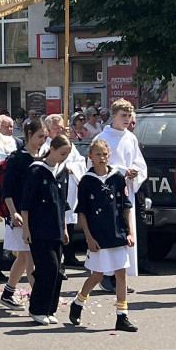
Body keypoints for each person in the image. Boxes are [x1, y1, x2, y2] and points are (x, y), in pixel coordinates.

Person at [69, 138, 137, 331]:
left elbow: (126, 207)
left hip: (117, 232)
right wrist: (89, 237)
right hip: (98, 234)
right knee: (98, 275)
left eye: (104, 154)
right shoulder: (86, 182)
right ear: (90, 156)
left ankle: (122, 315)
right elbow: (82, 212)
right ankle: (78, 301)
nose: (102, 158)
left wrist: (130, 232)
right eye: (97, 154)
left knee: (121, 273)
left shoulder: (117, 177)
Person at [21, 134, 72, 325]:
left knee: (58, 270)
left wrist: (65, 227)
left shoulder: (62, 171)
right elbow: (26, 203)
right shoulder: (36, 170)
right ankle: (37, 308)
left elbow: (62, 202)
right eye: (62, 153)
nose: (64, 157)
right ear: (52, 149)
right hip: (39, 227)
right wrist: (26, 228)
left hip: (56, 227)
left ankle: (50, 308)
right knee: (47, 268)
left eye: (67, 154)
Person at [96, 99, 147, 290]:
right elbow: (96, 164)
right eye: (123, 116)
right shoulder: (102, 137)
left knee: (125, 233)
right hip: (107, 193)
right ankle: (106, 277)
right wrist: (121, 170)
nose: (127, 120)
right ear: (114, 116)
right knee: (110, 232)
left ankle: (120, 276)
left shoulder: (131, 138)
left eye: (129, 116)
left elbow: (140, 163)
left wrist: (134, 172)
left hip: (126, 191)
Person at [0, 118, 48, 310]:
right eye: (40, 136)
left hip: (37, 214)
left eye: (45, 136)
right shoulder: (18, 158)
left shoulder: (42, 157)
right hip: (20, 214)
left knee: (23, 257)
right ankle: (38, 301)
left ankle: (8, 293)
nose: (43, 140)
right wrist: (13, 213)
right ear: (29, 134)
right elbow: (7, 190)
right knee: (30, 258)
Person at [44, 114, 87, 270]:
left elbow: (80, 161)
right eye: (56, 127)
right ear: (48, 129)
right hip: (56, 188)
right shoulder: (46, 145)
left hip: (70, 185)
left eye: (62, 127)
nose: (59, 130)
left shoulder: (69, 145)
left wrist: (72, 168)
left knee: (69, 222)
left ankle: (69, 255)